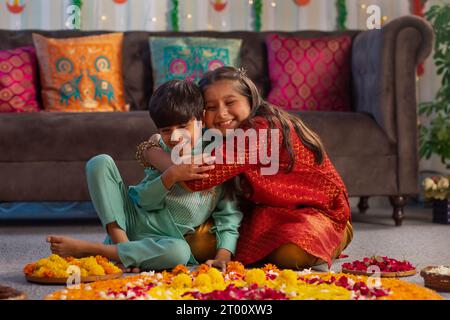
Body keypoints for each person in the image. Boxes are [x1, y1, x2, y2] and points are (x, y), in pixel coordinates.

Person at [138, 66, 353, 270]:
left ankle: (339, 235)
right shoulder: (218, 136)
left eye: (230, 102)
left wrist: (151, 152)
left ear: (250, 100)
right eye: (211, 108)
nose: (222, 114)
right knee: (196, 243)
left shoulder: (261, 129)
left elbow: (196, 178)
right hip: (266, 212)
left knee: (291, 255)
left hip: (316, 213)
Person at [47, 80, 243, 272]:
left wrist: (223, 256)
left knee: (180, 254)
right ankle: (120, 244)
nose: (175, 137)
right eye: (166, 130)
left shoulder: (219, 158)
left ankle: (100, 251)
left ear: (200, 119)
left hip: (166, 238)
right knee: (99, 162)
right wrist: (170, 176)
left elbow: (228, 216)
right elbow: (144, 201)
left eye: (183, 126)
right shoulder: (162, 150)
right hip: (131, 218)